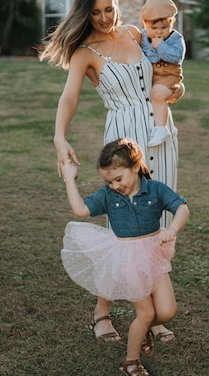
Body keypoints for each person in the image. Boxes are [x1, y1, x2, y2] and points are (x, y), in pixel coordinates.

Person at [39, 0, 182, 345]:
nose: (104, 17)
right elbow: (68, 97)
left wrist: (176, 89)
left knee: (157, 219)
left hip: (160, 137)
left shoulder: (136, 34)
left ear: (118, 2)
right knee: (122, 229)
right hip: (123, 140)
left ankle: (149, 314)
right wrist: (59, 136)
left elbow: (165, 72)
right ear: (85, 13)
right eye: (96, 12)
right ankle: (101, 313)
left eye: (109, 8)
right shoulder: (84, 52)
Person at [60, 139, 189, 376]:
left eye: (119, 179)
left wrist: (172, 230)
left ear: (136, 167)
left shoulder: (156, 189)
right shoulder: (109, 196)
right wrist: (69, 178)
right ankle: (131, 362)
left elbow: (182, 208)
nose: (115, 185)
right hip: (127, 258)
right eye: (109, 181)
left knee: (167, 311)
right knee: (146, 313)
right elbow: (80, 210)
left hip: (153, 254)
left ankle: (141, 331)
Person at [139, 0, 186, 147]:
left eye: (164, 28)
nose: (159, 32)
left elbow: (176, 57)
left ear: (172, 23)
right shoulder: (143, 37)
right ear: (145, 24)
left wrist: (160, 45)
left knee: (157, 95)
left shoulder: (176, 39)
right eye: (154, 28)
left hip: (169, 75)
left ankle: (162, 129)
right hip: (152, 76)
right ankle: (158, 125)